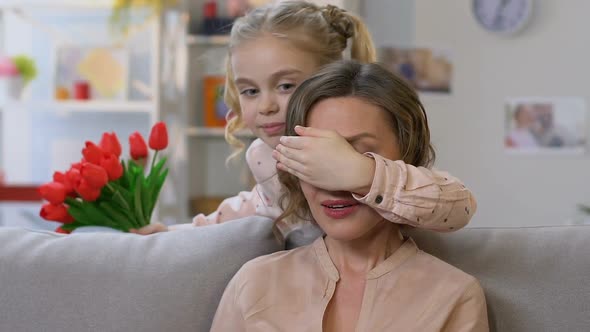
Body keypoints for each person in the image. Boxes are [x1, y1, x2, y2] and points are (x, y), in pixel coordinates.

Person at [132, 0, 476, 240]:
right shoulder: (267, 159)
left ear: (331, 78)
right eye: (250, 91)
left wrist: (361, 173)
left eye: (285, 86)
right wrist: (172, 236)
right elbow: (248, 211)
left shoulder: (363, 140)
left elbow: (458, 206)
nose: (265, 106)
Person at [210, 61, 489, 331]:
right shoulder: (253, 283)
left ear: (406, 155)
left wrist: (362, 175)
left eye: (355, 155)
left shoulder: (454, 296)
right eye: (314, 158)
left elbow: (458, 204)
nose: (333, 183)